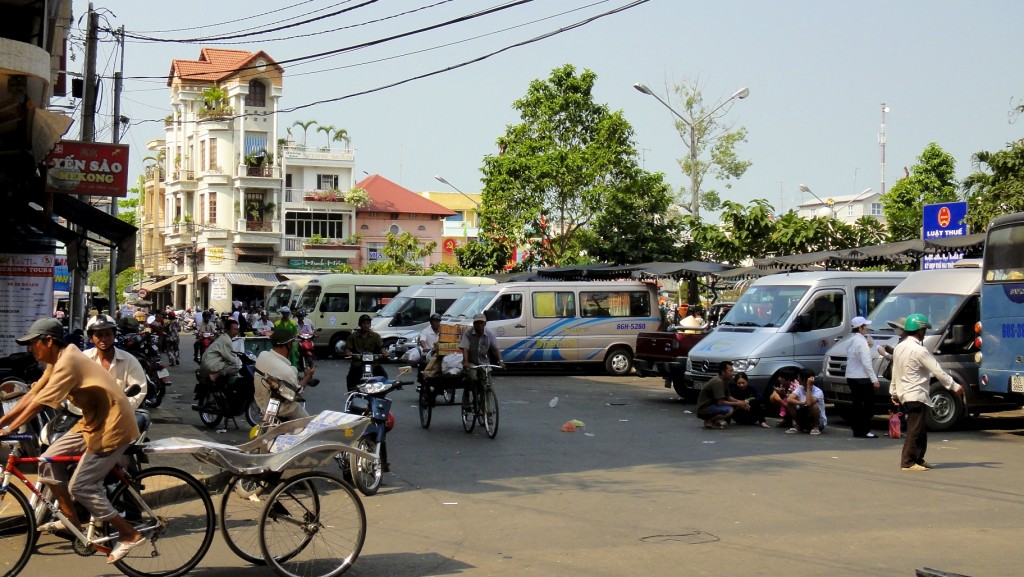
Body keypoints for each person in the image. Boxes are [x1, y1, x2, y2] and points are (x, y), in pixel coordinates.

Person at [0, 319, 144, 563]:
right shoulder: (56, 360)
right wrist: (3, 422)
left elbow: (40, 404)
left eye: (33, 344)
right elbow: (33, 394)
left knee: (82, 486)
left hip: (113, 424)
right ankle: (71, 522)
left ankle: (129, 533)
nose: (30, 349)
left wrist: (10, 428)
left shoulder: (68, 362)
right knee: (47, 460)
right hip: (91, 420)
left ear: (48, 341)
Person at [890, 314, 964, 471]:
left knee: (920, 430)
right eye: (924, 330)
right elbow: (937, 370)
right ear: (920, 330)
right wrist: (954, 386)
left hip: (906, 393)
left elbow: (895, 372)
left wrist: (894, 393)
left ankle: (918, 458)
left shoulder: (899, 347)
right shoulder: (919, 350)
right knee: (915, 429)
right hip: (916, 394)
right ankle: (908, 462)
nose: (924, 333)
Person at [83, 315, 148, 410]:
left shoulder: (129, 360)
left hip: (121, 416)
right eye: (99, 335)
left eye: (108, 334)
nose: (104, 339)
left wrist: (117, 409)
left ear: (114, 335)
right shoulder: (83, 359)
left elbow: (139, 390)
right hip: (88, 415)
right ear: (91, 337)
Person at [254, 327, 315, 421]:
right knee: (310, 426)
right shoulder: (286, 371)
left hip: (263, 407)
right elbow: (297, 391)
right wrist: (308, 376)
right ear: (289, 344)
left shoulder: (262, 355)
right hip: (284, 411)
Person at [846, 316, 880, 438]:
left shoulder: (852, 339)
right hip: (862, 378)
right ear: (860, 328)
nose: (867, 328)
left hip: (851, 376)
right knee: (868, 406)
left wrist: (868, 344)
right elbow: (866, 363)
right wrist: (874, 379)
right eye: (865, 326)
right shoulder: (861, 342)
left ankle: (857, 429)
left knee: (856, 405)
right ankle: (864, 430)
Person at [695, 361, 748, 429]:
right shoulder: (718, 382)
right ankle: (709, 421)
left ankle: (716, 420)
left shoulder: (725, 380)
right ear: (723, 372)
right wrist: (738, 404)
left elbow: (729, 397)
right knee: (729, 410)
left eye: (732, 371)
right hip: (704, 408)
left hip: (713, 405)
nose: (732, 373)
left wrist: (741, 402)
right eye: (730, 371)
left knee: (735, 405)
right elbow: (721, 402)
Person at [459, 314, 504, 386]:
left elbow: (496, 349)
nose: (479, 325)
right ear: (474, 324)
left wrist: (500, 361)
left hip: (484, 362)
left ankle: (484, 395)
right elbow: (465, 349)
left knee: (487, 381)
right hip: (471, 362)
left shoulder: (490, 333)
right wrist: (466, 363)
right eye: (477, 323)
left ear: (485, 324)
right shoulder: (468, 333)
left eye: (481, 323)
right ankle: (469, 393)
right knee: (472, 378)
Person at [344, 314, 386, 391]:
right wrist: (349, 353)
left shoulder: (375, 336)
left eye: (368, 323)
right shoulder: (353, 336)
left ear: (370, 325)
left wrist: (384, 353)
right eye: (364, 323)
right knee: (350, 377)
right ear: (360, 324)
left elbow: (381, 347)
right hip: (358, 362)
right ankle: (351, 393)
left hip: (374, 362)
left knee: (384, 376)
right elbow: (348, 348)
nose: (366, 325)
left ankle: (381, 393)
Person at [199, 318, 242, 384]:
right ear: (227, 330)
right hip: (210, 366)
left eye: (237, 330)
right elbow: (230, 358)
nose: (236, 331)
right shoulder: (226, 340)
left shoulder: (223, 337)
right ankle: (214, 376)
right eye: (234, 329)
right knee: (236, 367)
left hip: (206, 364)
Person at [785, 367, 826, 435]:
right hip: (805, 416)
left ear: (803, 379)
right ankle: (798, 425)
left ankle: (816, 427)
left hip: (819, 421)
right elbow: (789, 399)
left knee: (813, 406)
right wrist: (801, 403)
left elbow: (809, 403)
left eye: (799, 377)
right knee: (789, 404)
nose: (797, 379)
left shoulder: (818, 391)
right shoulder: (800, 388)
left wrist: (809, 386)